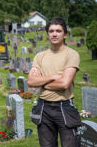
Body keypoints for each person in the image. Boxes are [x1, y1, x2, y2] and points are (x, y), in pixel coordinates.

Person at [28, 18, 81, 147]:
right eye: (51, 31)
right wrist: (54, 76)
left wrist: (42, 83)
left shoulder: (71, 54)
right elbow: (31, 81)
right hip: (43, 107)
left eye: (58, 31)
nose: (54, 34)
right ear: (47, 34)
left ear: (65, 34)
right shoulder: (40, 56)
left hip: (64, 107)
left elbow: (64, 84)